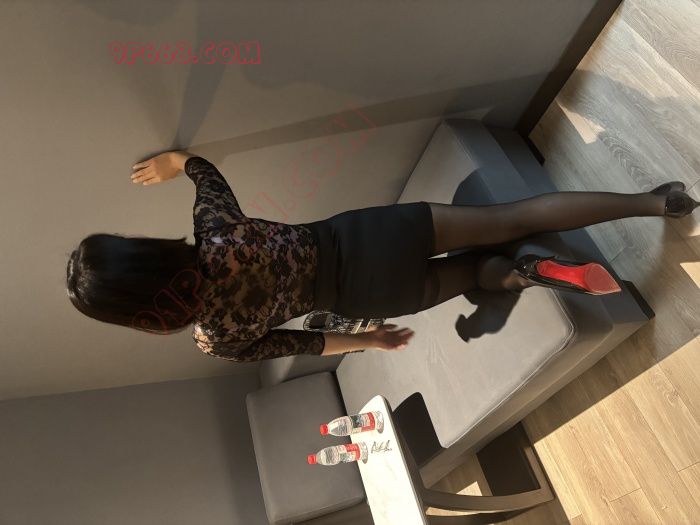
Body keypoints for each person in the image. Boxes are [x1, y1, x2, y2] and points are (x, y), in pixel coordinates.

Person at [66, 150, 699, 362]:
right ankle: (656, 202)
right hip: (370, 236)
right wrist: (174, 161)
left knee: (472, 276)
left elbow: (309, 344)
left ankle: (526, 274)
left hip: (369, 296)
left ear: (137, 317)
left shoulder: (217, 340)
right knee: (514, 217)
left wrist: (371, 339)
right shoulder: (216, 230)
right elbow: (201, 169)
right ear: (142, 254)